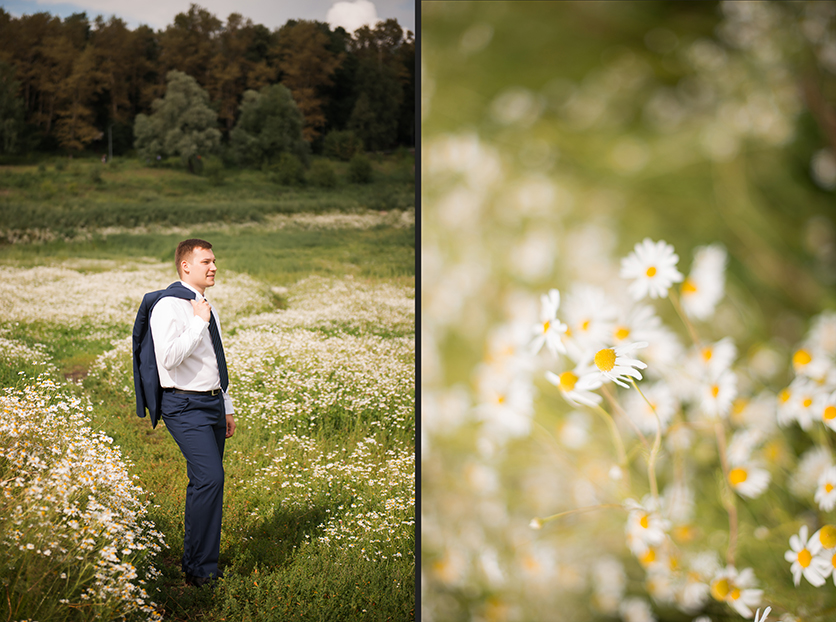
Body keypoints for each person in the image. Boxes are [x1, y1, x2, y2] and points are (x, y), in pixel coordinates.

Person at [149, 238, 236, 587]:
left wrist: (226, 406)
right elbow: (168, 358)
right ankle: (201, 571)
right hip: (184, 404)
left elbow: (215, 359)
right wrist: (199, 321)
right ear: (186, 266)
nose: (213, 267)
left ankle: (197, 561)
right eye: (206, 262)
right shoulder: (168, 306)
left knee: (206, 484)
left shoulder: (204, 304)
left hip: (212, 403)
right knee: (211, 479)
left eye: (214, 261)